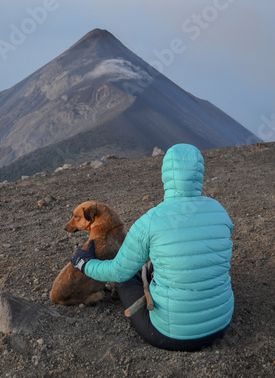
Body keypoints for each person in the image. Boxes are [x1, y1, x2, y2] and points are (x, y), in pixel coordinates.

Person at [71, 144, 234, 351]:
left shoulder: (151, 221)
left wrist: (84, 264)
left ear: (165, 174)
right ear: (199, 172)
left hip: (171, 334)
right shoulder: (219, 211)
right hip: (221, 324)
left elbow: (118, 272)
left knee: (129, 277)